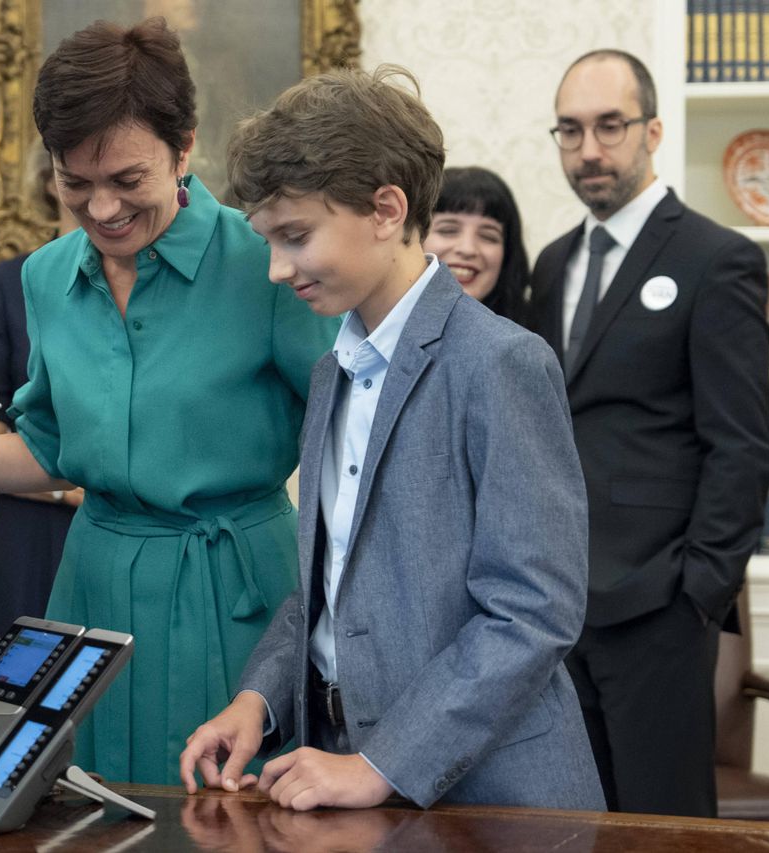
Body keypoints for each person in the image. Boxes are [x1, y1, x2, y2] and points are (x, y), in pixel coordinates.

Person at [180, 67, 603, 812]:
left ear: (386, 209)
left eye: (295, 236)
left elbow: (532, 611)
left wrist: (384, 761)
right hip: (343, 771)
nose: (278, 268)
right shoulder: (329, 374)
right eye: (268, 241)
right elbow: (328, 586)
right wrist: (260, 699)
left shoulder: (501, 362)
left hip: (494, 799)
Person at [0, 18, 338, 785]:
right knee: (88, 811)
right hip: (91, 586)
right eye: (75, 182)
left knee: (225, 814)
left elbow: (350, 433)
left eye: (126, 180)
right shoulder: (45, 277)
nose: (101, 209)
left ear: (183, 149)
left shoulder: (264, 263)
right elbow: (46, 446)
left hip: (233, 588)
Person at [528, 49, 769, 817]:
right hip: (559, 606)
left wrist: (698, 591)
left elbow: (741, 443)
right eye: (570, 131)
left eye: (609, 126)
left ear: (653, 129)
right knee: (572, 821)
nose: (589, 150)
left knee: (664, 825)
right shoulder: (553, 261)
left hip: (658, 605)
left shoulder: (716, 258)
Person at [0, 144, 82, 642]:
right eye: (78, 177)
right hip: (30, 529)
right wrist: (67, 488)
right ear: (50, 181)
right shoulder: (5, 286)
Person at [423, 166, 530, 322]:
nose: (468, 249)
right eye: (448, 230)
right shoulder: (379, 326)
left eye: (488, 236)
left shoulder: (533, 341)